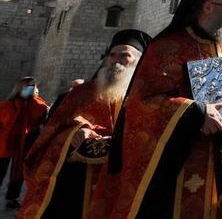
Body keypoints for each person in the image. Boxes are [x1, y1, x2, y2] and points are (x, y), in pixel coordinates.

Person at [89, 0, 222, 218]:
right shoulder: (167, 48)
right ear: (206, 6)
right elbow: (142, 102)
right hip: (182, 164)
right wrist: (195, 113)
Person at [19, 29, 150, 218]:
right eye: (112, 55)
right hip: (79, 183)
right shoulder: (82, 93)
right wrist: (76, 132)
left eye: (124, 55)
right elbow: (53, 129)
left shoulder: (149, 96)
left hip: (126, 178)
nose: (116, 60)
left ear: (140, 59)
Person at [0, 77, 49, 209]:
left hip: (25, 143)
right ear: (19, 87)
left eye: (33, 86)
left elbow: (43, 116)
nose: (30, 88)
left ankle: (12, 198)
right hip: (4, 143)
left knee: (19, 172)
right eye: (28, 86)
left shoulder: (37, 104)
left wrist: (33, 99)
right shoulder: (6, 105)